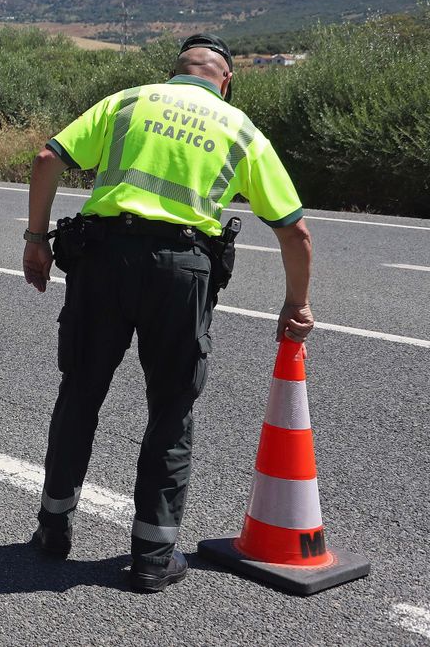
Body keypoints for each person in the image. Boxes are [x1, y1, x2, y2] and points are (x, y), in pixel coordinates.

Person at [21, 33, 314, 593]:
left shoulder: (128, 101)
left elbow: (45, 159)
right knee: (172, 409)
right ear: (225, 79)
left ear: (175, 71)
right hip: (183, 272)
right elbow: (295, 230)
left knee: (80, 392)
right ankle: (153, 557)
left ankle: (53, 528)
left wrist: (36, 240)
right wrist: (296, 303)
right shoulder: (239, 128)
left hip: (103, 261)